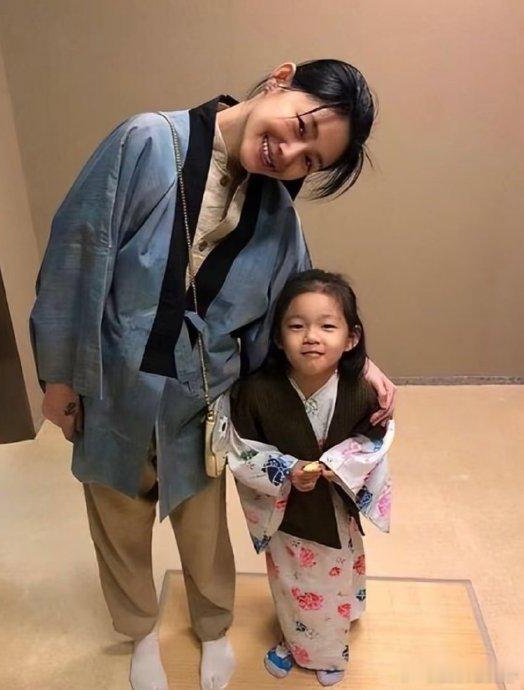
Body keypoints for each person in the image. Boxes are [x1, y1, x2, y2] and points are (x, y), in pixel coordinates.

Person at [30, 60, 396, 690]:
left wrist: (361, 364)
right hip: (113, 385)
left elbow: (300, 306)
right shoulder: (147, 141)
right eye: (302, 127)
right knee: (117, 516)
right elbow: (77, 252)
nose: (291, 154)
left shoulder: (277, 216)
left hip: (202, 399)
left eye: (310, 160)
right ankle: (140, 631)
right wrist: (60, 377)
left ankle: (213, 627)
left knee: (204, 527)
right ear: (280, 80)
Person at [222, 269, 394, 686]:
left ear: (351, 338)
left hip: (335, 505)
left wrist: (339, 464)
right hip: (289, 509)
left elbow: (374, 441)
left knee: (335, 573)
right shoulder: (256, 392)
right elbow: (240, 447)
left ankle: (329, 650)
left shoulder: (361, 390)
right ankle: (295, 638)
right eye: (297, 326)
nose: (311, 337)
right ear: (278, 337)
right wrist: (285, 469)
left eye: (327, 326)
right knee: (292, 579)